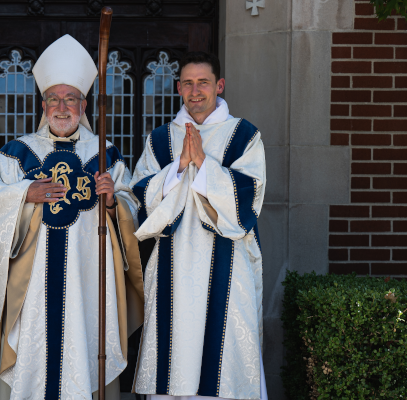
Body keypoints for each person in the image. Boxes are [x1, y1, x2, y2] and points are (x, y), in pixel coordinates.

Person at [0, 35, 145, 400]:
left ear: (83, 104)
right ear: (43, 104)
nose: (61, 106)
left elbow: (133, 206)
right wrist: (26, 193)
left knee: (86, 347)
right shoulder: (16, 153)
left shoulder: (105, 154)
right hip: (34, 281)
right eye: (53, 98)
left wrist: (110, 202)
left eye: (70, 98)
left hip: (89, 279)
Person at [130, 51, 268, 400]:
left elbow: (250, 200)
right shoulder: (160, 139)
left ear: (219, 85)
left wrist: (204, 165)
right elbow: (139, 197)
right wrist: (177, 170)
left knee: (223, 363)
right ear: (178, 88)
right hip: (171, 266)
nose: (195, 91)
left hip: (228, 263)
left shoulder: (243, 135)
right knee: (174, 351)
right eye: (188, 83)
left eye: (203, 82)